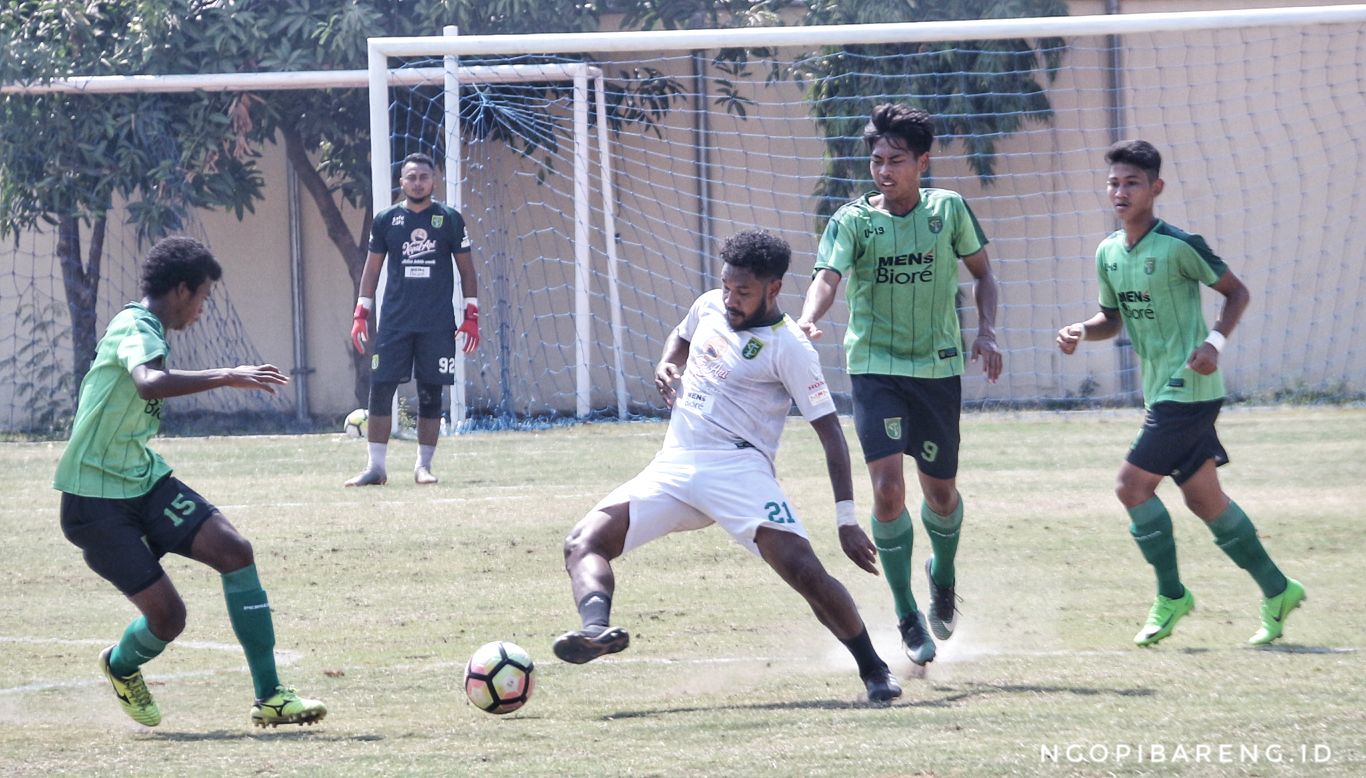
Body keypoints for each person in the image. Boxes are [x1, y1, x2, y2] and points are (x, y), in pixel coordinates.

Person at [554, 230, 902, 703]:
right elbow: (680, 337)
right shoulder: (709, 306)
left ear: (774, 289)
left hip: (740, 470)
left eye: (743, 292)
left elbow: (831, 435)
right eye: (726, 286)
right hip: (674, 465)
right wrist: (665, 363)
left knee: (804, 572)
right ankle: (596, 631)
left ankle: (874, 669)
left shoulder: (791, 348)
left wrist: (845, 519)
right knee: (582, 542)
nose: (730, 298)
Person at [53, 236, 326, 728]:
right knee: (169, 620)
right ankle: (119, 665)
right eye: (202, 296)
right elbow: (148, 383)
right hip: (94, 501)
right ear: (180, 290)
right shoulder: (136, 325)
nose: (202, 308)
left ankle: (271, 697)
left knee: (234, 549)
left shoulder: (153, 327)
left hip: (141, 479)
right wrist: (226, 375)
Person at [1058, 140, 1304, 647]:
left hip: (1189, 389)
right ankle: (1278, 589)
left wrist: (1214, 343)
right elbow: (1112, 318)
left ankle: (1171, 595)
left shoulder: (1179, 244)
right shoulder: (1108, 252)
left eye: (1131, 183)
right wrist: (1081, 331)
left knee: (1131, 486)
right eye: (1114, 183)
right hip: (1160, 393)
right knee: (1204, 501)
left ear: (1156, 188)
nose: (1120, 191)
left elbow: (1237, 292)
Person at [797, 104, 1002, 666]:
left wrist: (986, 332)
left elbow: (983, 274)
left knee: (940, 494)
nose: (883, 170)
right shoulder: (852, 221)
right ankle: (907, 613)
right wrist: (809, 316)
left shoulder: (949, 210)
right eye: (876, 160)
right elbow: (827, 277)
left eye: (896, 160)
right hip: (875, 367)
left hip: (938, 369)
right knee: (888, 491)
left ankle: (944, 574)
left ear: (922, 163)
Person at [347, 152, 480, 486]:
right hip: (394, 322)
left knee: (431, 393)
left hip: (436, 323)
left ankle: (424, 466)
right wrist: (361, 313)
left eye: (424, 176)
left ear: (433, 180)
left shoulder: (449, 219)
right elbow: (372, 269)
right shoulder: (386, 219)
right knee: (381, 389)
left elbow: (467, 270)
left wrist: (471, 315)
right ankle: (375, 468)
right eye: (411, 177)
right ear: (401, 182)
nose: (417, 182)